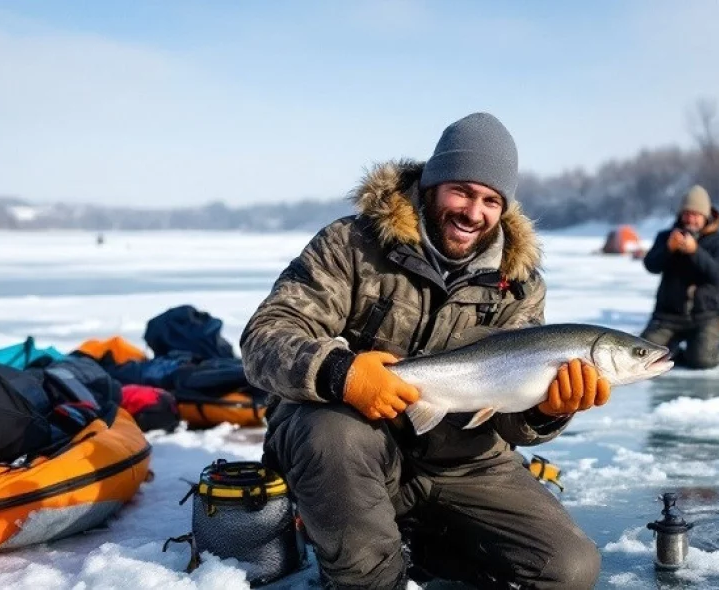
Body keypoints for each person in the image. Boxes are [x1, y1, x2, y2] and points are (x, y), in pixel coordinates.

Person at [241, 112, 605, 589]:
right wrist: (341, 373)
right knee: (333, 434)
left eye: (491, 200)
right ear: (431, 184)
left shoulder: (518, 284)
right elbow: (265, 337)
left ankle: (421, 544)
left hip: (462, 458)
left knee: (570, 570)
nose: (474, 213)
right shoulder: (350, 244)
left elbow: (507, 419)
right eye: (463, 192)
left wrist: (545, 412)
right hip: (351, 445)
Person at [641, 185, 719, 369]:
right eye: (687, 213)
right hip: (668, 316)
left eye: (696, 214)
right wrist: (668, 249)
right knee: (643, 358)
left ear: (706, 215)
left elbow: (717, 274)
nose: (690, 219)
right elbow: (651, 265)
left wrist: (694, 251)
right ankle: (673, 350)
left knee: (702, 360)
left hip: (705, 315)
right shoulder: (666, 236)